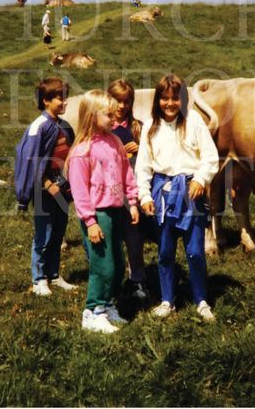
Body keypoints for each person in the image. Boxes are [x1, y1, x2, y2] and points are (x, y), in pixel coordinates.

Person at [135, 74, 220, 322]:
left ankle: (201, 300)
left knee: (194, 251)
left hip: (191, 193)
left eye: (175, 98)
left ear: (182, 99)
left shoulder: (193, 121)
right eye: (165, 98)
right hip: (163, 194)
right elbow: (143, 166)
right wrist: (144, 195)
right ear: (157, 100)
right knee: (165, 251)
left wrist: (201, 179)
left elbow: (210, 157)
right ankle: (167, 300)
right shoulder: (150, 126)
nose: (170, 103)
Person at [68, 90, 140, 333]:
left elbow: (126, 173)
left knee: (118, 265)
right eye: (108, 115)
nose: (114, 118)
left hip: (116, 211)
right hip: (97, 215)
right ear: (91, 116)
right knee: (103, 266)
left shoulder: (114, 142)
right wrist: (90, 222)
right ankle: (92, 311)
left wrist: (131, 202)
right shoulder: (82, 151)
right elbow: (79, 191)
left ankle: (107, 304)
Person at [15, 77, 77, 296]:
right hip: (44, 189)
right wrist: (46, 183)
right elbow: (29, 160)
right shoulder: (38, 127)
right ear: (46, 100)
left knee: (59, 230)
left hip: (62, 187)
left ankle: (54, 274)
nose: (64, 102)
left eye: (64, 97)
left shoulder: (64, 126)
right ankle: (38, 279)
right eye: (59, 98)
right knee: (44, 233)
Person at [107, 79, 150, 300]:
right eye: (118, 101)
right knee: (111, 241)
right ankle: (111, 282)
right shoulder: (103, 128)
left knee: (134, 240)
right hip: (108, 194)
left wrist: (141, 148)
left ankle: (137, 280)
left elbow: (151, 157)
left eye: (127, 101)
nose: (122, 106)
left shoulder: (137, 127)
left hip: (131, 194)